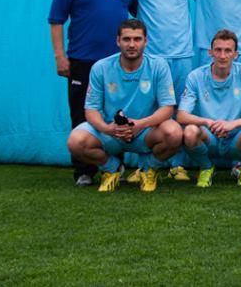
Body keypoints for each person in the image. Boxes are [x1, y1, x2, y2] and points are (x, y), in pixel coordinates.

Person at [49, 0, 138, 186]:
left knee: (117, 115)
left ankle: (116, 167)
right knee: (81, 115)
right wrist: (60, 56)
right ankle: (84, 171)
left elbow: (139, 14)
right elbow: (56, 20)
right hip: (82, 61)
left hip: (118, 63)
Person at [65, 20, 182, 193]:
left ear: (146, 41)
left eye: (137, 39)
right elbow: (91, 109)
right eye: (127, 39)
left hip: (145, 131)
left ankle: (148, 169)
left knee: (174, 133)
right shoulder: (101, 67)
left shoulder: (158, 65)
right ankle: (112, 168)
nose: (132, 44)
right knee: (75, 141)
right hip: (112, 132)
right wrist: (107, 128)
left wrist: (140, 124)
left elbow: (167, 108)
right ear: (118, 41)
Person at [131, 0, 197, 182]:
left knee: (180, 108)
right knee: (148, 108)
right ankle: (145, 165)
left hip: (181, 54)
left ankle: (177, 164)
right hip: (151, 56)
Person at [178, 29, 241, 187]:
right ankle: (206, 167)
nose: (222, 55)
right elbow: (181, 115)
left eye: (228, 51)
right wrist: (207, 122)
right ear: (210, 52)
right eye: (218, 50)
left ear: (236, 54)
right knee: (190, 131)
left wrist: (232, 124)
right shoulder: (195, 76)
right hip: (210, 137)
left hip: (236, 139)